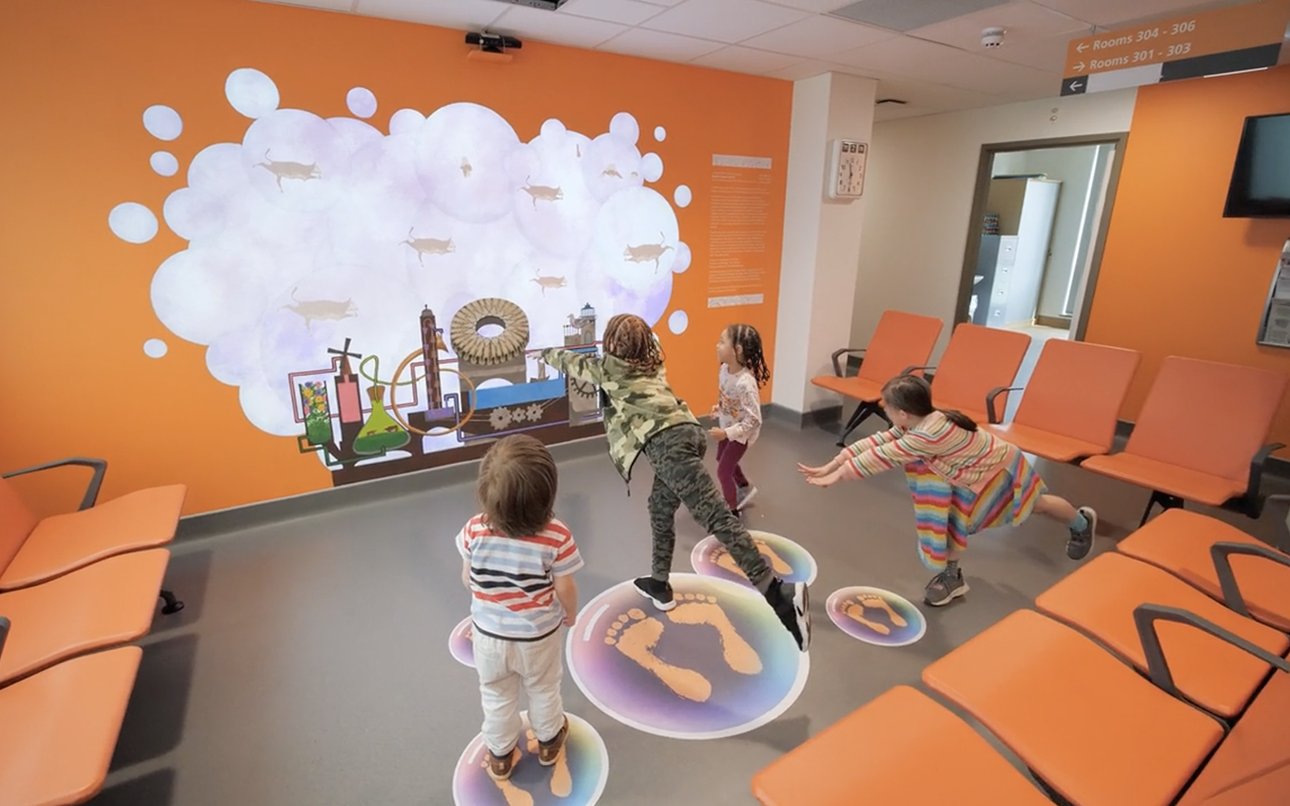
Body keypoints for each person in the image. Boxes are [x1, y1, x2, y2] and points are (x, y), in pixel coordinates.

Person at [542, 313, 810, 651]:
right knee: (659, 507)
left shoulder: (609, 370)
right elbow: (648, 339)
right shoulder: (653, 360)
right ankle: (659, 583)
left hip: (668, 445)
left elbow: (569, 361)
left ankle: (779, 594)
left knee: (716, 517)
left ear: (611, 345)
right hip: (689, 431)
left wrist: (542, 353)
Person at [798, 374, 1096, 607]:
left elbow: (882, 457)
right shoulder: (916, 422)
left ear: (902, 413)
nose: (884, 411)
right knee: (954, 521)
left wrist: (836, 477)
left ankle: (1081, 523)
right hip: (967, 475)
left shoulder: (928, 434)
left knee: (1038, 505)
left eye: (886, 407)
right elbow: (878, 442)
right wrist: (832, 464)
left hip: (999, 471)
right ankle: (953, 576)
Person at [457, 434, 582, 781]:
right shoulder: (556, 535)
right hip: (537, 636)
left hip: (488, 637)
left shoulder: (473, 530)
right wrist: (570, 613)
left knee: (496, 694)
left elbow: (467, 578)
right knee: (543, 688)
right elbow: (565, 586)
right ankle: (548, 742)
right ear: (547, 494)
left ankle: (499, 755)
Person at [709, 323, 769, 515]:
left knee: (722, 471)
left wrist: (726, 433)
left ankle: (732, 509)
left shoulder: (745, 383)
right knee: (721, 459)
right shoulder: (724, 370)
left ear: (737, 350)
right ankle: (744, 485)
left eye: (722, 341)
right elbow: (730, 400)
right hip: (728, 426)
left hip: (741, 434)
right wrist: (720, 409)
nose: (717, 345)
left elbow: (754, 420)